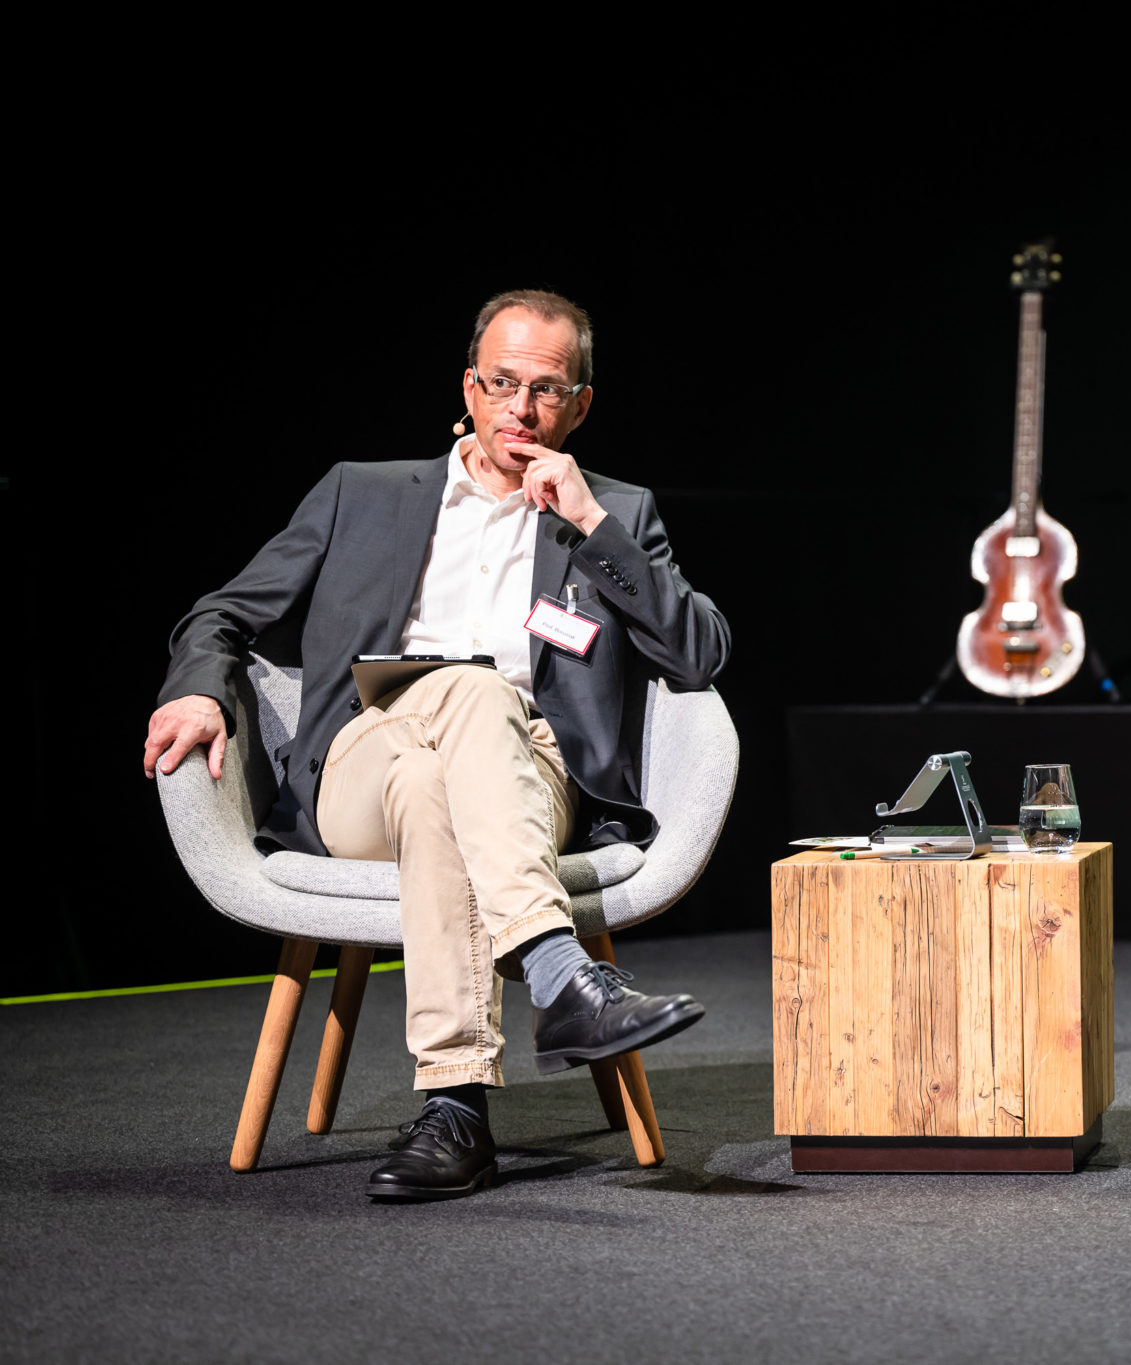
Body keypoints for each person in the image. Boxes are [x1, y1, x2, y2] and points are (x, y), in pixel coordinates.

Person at [144, 290, 730, 1201]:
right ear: (469, 387)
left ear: (580, 405)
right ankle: (557, 969)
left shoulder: (615, 510)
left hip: (531, 774)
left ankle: (454, 1110)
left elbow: (700, 654)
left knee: (434, 784)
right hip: (358, 767)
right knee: (465, 691)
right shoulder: (362, 492)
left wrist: (591, 524)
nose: (521, 409)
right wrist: (196, 688)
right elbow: (222, 613)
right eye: (502, 382)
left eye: (546, 389)